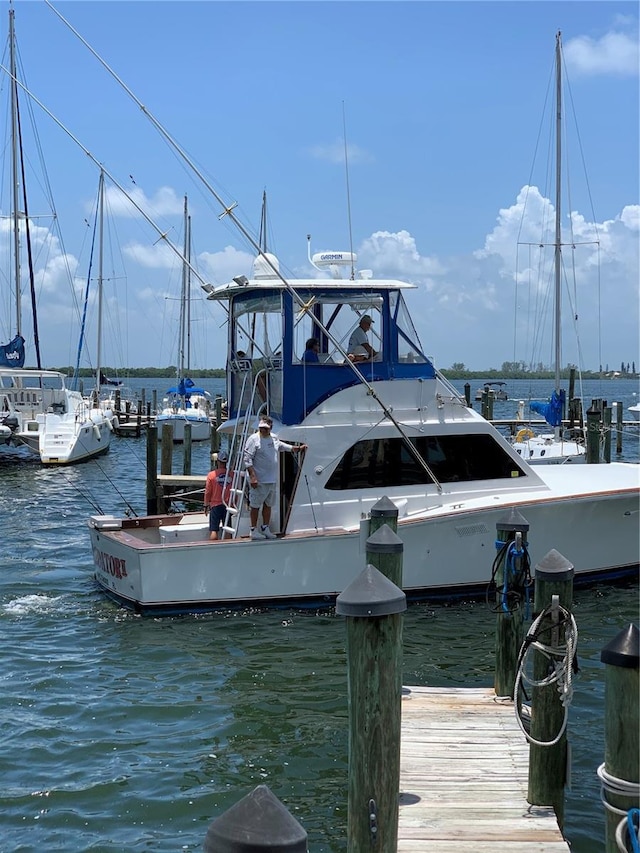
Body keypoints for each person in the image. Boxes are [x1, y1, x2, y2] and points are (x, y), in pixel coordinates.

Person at [243, 415, 306, 540]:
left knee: (268, 504)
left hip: (271, 479)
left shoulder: (274, 438)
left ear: (270, 428)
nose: (262, 430)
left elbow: (282, 446)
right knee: (255, 505)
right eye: (261, 428)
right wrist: (253, 477)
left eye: (265, 428)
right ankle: (253, 530)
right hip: (259, 480)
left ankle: (265, 528)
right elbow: (247, 459)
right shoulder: (253, 439)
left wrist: (297, 449)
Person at [204, 449, 233, 541]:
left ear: (218, 461)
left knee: (214, 530)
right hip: (228, 505)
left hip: (215, 505)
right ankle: (228, 547)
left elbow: (208, 492)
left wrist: (206, 504)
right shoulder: (232, 474)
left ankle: (213, 547)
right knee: (227, 529)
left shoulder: (211, 475)